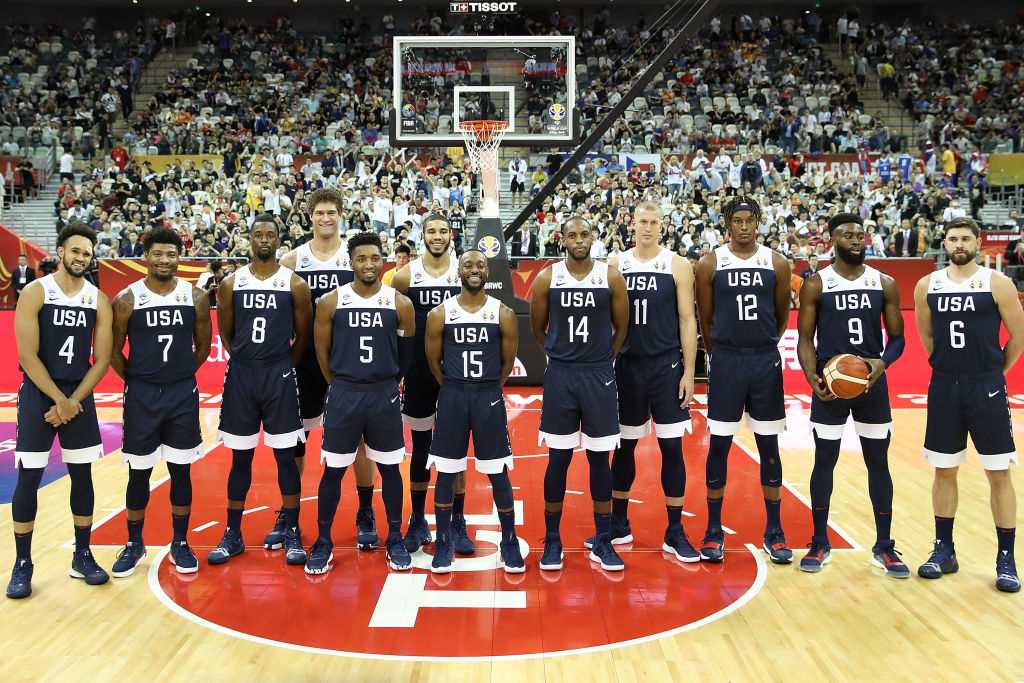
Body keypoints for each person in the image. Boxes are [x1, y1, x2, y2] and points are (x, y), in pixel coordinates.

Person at [796, 213, 910, 577]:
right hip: (830, 386)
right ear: (833, 240)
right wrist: (813, 376)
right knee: (824, 461)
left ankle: (885, 547)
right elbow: (804, 340)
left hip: (872, 387)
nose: (857, 240)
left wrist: (882, 364)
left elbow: (897, 339)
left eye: (861, 235)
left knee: (879, 463)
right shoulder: (816, 284)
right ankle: (819, 541)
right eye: (848, 235)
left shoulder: (885, 282)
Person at [913, 217, 1023, 593]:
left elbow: (1018, 335)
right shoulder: (927, 285)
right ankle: (944, 550)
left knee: (998, 473)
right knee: (943, 470)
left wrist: (994, 372)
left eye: (965, 238)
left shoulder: (998, 283)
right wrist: (947, 368)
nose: (958, 243)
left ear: (978, 242)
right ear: (944, 243)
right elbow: (927, 336)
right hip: (944, 385)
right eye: (952, 238)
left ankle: (1006, 559)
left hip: (986, 386)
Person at [7, 223, 113, 599]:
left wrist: (73, 402)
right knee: (28, 479)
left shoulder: (98, 300)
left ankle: (82, 555)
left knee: (82, 476)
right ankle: (23, 564)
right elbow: (27, 356)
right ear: (61, 251)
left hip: (78, 395)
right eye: (75, 251)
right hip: (39, 394)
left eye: (87, 253)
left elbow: (101, 360)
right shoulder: (36, 292)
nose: (81, 257)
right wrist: (60, 401)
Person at [305, 232, 415, 574]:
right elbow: (322, 352)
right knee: (334, 470)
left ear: (382, 261)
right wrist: (341, 382)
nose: (368, 264)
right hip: (344, 393)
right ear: (350, 263)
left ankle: (394, 537)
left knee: (390, 469)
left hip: (383, 394)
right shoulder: (330, 301)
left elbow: (406, 358)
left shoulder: (399, 303)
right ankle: (323, 541)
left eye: (374, 258)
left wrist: (386, 382)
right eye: (361, 259)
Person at [206, 215, 313, 566]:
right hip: (242, 376)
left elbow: (302, 336)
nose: (264, 239)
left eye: (271, 234)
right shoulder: (230, 283)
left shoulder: (294, 283)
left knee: (286, 457)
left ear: (280, 240)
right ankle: (232, 533)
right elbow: (226, 334)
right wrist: (248, 362)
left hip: (279, 375)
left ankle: (292, 531)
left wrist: (281, 364)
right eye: (258, 234)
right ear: (249, 239)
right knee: (240, 458)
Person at [279, 187, 381, 551]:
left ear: (341, 215)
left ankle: (366, 511)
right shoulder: (292, 260)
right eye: (319, 212)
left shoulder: (354, 257)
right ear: (310, 217)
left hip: (350, 361)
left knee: (359, 442)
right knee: (297, 441)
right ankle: (287, 514)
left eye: (331, 212)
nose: (325, 218)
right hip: (306, 359)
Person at [108, 227, 213, 577]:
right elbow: (112, 349)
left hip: (182, 394)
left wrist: (179, 375)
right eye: (158, 254)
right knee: (139, 471)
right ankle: (134, 543)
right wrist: (137, 380)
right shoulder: (127, 298)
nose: (164, 260)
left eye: (171, 254)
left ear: (179, 258)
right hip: (142, 395)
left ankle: (180, 543)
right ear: (146, 256)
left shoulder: (195, 297)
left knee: (180, 470)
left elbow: (202, 347)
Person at [694, 196, 792, 565]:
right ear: (727, 224)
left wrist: (763, 343)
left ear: (759, 222)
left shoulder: (776, 262)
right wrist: (722, 350)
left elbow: (781, 316)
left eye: (751, 220)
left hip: (764, 361)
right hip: (727, 361)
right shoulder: (711, 263)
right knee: (719, 446)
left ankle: (775, 531)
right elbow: (706, 318)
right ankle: (713, 531)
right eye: (738, 220)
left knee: (769, 447)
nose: (746, 226)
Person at [530, 216, 629, 571]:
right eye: (572, 234)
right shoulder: (547, 277)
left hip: (599, 376)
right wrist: (560, 355)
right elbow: (537, 328)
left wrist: (604, 358)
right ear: (562, 239)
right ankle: (553, 540)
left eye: (584, 234)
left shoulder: (610, 276)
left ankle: (603, 540)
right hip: (562, 375)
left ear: (594, 237)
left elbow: (622, 327)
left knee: (599, 459)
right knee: (558, 459)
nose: (578, 239)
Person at [603, 201, 699, 562]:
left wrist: (689, 372)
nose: (648, 227)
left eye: (654, 222)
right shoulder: (616, 264)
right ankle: (618, 524)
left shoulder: (676, 265)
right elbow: (606, 321)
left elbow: (688, 321)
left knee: (672, 448)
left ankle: (674, 531)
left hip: (665, 367)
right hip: (627, 366)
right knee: (624, 448)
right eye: (642, 221)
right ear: (632, 223)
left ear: (662, 226)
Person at [423, 250, 524, 573]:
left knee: (498, 472)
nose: (475, 270)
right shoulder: (441, 313)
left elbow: (507, 363)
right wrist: (454, 386)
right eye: (468, 265)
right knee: (446, 471)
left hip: (488, 397)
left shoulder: (503, 313)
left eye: (480, 265)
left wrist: (487, 387)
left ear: (487, 271)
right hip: (453, 394)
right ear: (459, 271)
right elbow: (433, 361)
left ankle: (509, 539)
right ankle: (443, 543)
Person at [390, 213, 472, 554]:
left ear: (451, 235)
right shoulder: (405, 275)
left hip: (457, 373)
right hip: (420, 373)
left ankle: (457, 521)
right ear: (422, 236)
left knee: (454, 449)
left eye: (442, 231)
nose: (437, 236)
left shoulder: (466, 269)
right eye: (431, 231)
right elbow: (392, 325)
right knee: (421, 449)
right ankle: (419, 519)